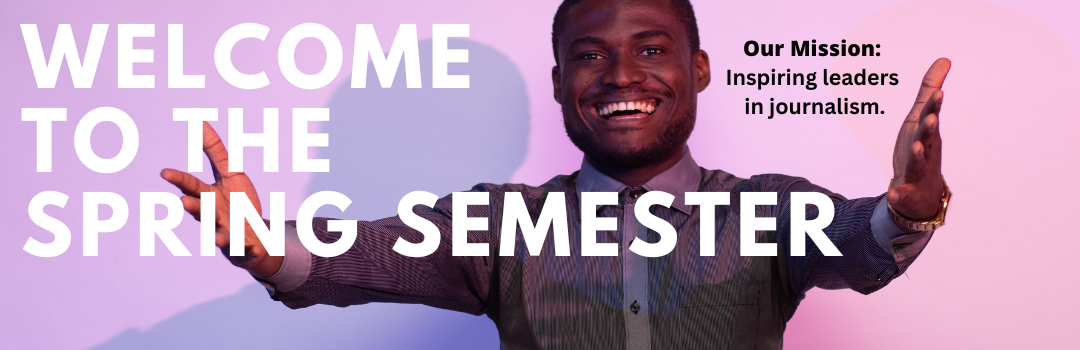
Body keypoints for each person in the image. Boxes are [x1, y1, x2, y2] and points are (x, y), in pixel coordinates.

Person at [162, 0, 952, 348]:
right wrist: (266, 246)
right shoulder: (500, 224)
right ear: (559, 83)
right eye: (589, 55)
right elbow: (358, 257)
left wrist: (906, 210)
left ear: (699, 68)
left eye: (650, 49)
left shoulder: (767, 211)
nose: (619, 75)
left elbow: (855, 240)